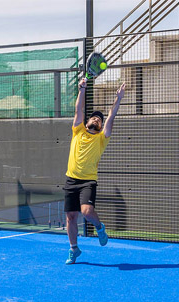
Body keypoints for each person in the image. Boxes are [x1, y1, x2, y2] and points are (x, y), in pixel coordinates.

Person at [63, 78, 125, 265]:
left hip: (88, 181)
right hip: (70, 180)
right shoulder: (78, 130)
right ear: (88, 121)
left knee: (87, 211)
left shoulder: (101, 138)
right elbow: (78, 110)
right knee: (71, 217)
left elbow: (111, 116)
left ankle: (99, 227)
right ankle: (74, 249)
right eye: (94, 117)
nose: (96, 119)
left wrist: (118, 99)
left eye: (99, 119)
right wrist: (82, 89)